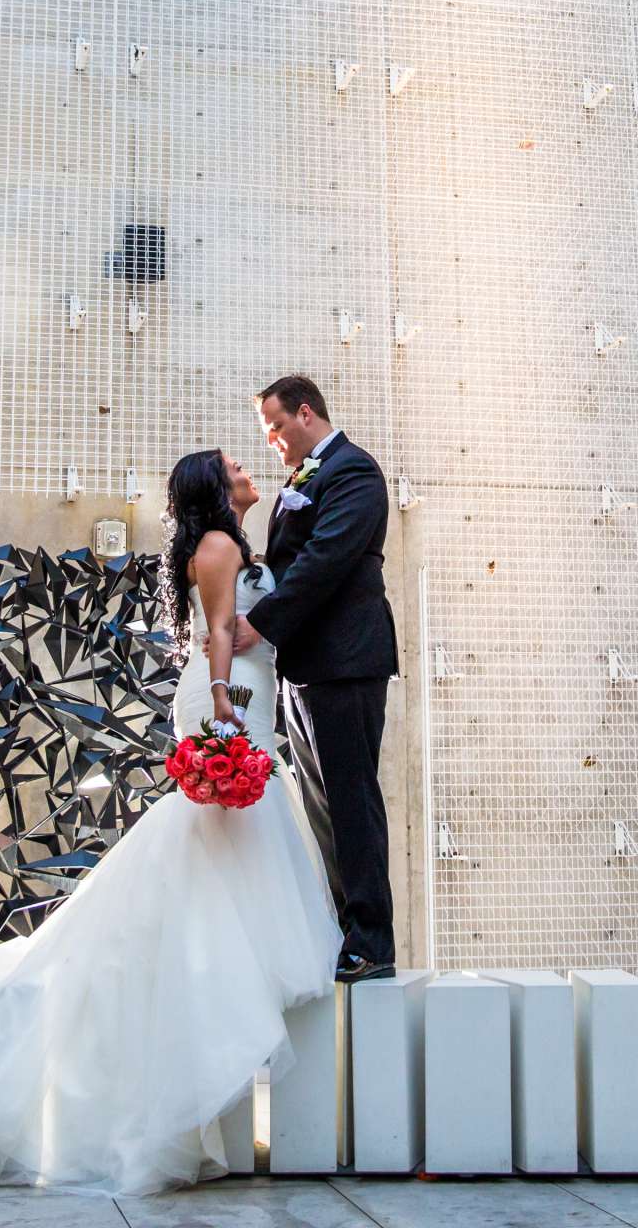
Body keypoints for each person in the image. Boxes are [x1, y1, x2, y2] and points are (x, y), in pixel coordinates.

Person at [0, 449, 340, 1195]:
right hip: (230, 700)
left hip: (243, 693)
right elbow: (220, 629)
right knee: (221, 847)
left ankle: (208, 1011)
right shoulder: (220, 548)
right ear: (216, 492)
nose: (246, 468)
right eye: (232, 467)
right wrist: (224, 709)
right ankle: (200, 1009)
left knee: (222, 856)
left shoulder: (234, 543)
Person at [235, 374, 400, 982]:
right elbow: (287, 561)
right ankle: (345, 929)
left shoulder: (354, 472)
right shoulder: (301, 477)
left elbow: (326, 557)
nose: (273, 440)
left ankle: (372, 942)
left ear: (306, 413)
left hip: (346, 661)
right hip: (306, 669)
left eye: (276, 426)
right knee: (322, 803)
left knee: (351, 799)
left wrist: (263, 623)